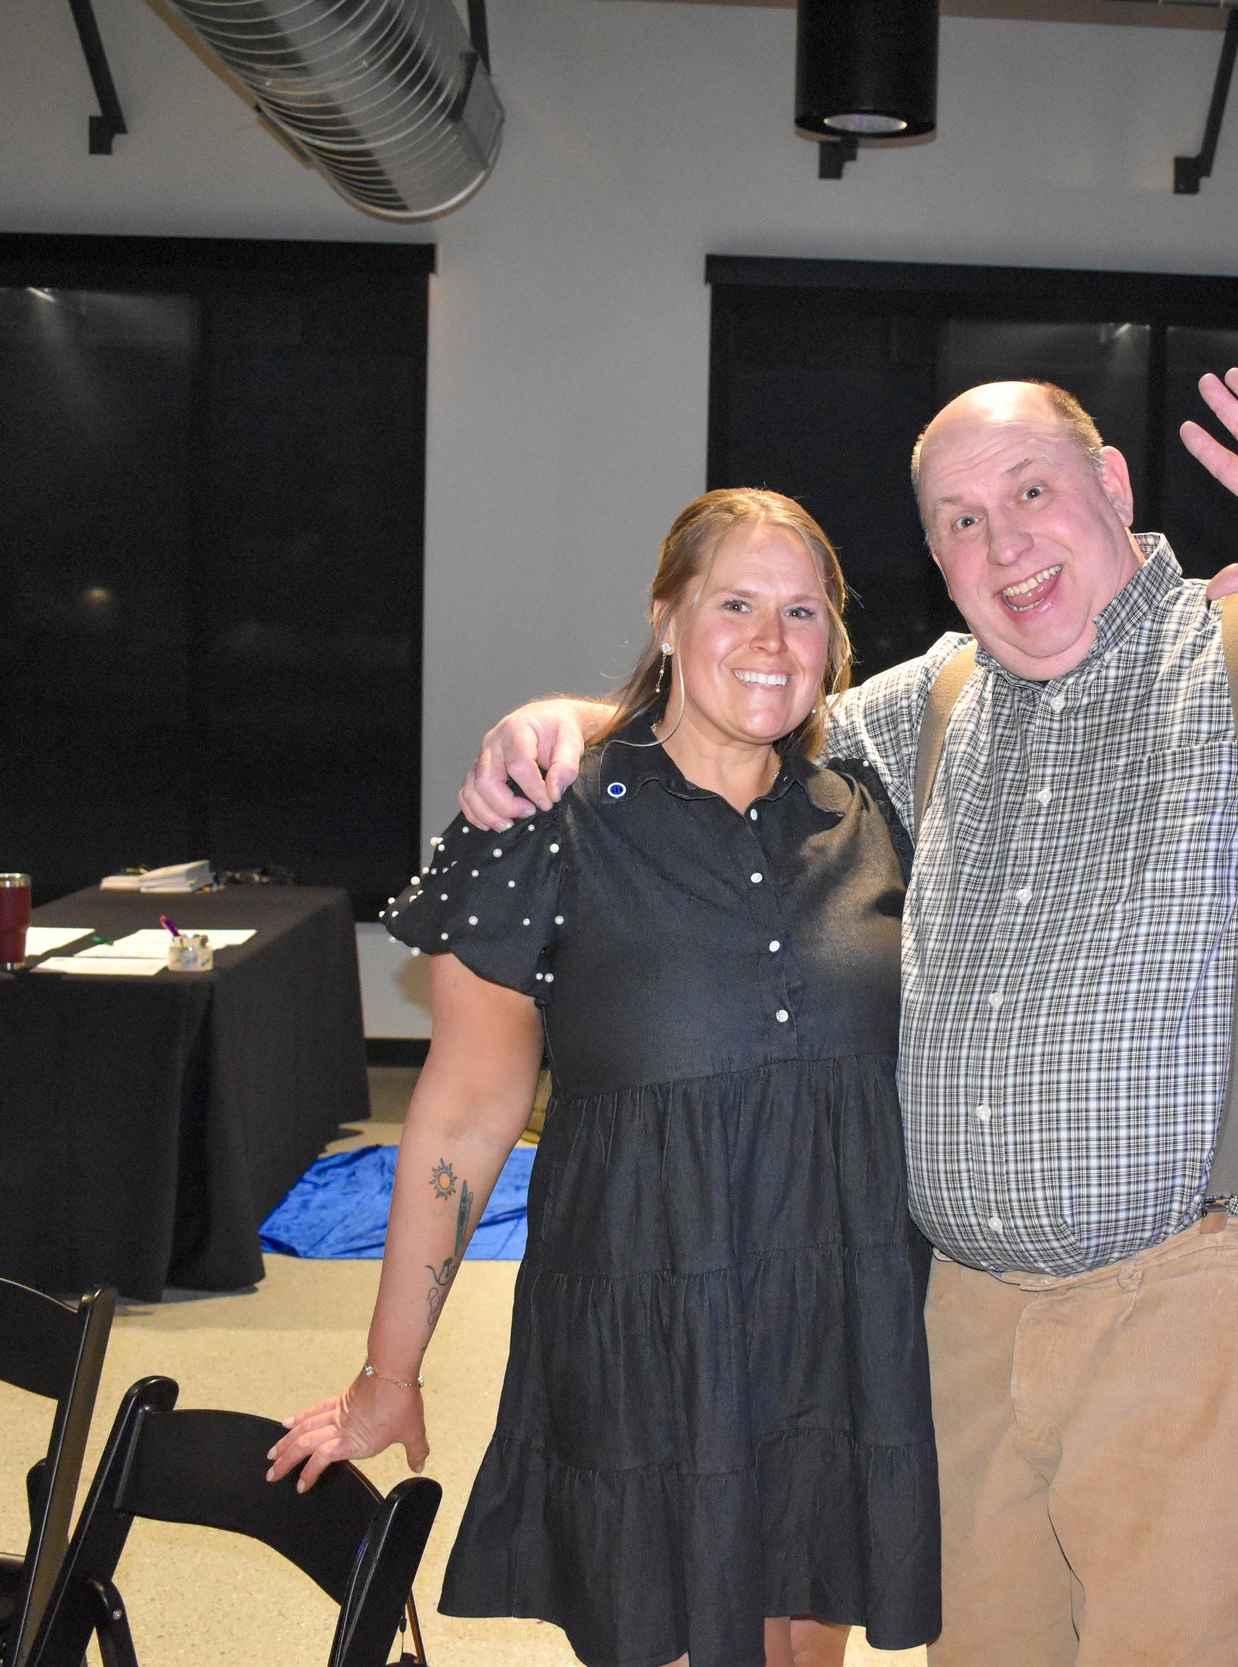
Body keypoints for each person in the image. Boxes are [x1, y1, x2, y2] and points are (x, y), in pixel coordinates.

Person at [459, 363, 1238, 1667]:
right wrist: (568, 718)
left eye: (1030, 489)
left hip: (1204, 1300)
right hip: (961, 1318)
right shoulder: (933, 701)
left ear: (1116, 488)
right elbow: (743, 726)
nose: (1002, 539)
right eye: (958, 519)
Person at [269, 489, 941, 1667]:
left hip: (836, 1318)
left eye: (802, 611)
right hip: (647, 1319)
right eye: (734, 602)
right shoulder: (547, 817)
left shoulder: (873, 807)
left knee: (800, 1639)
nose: (772, 640)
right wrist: (389, 1370)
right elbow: (464, 1114)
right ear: (666, 617)